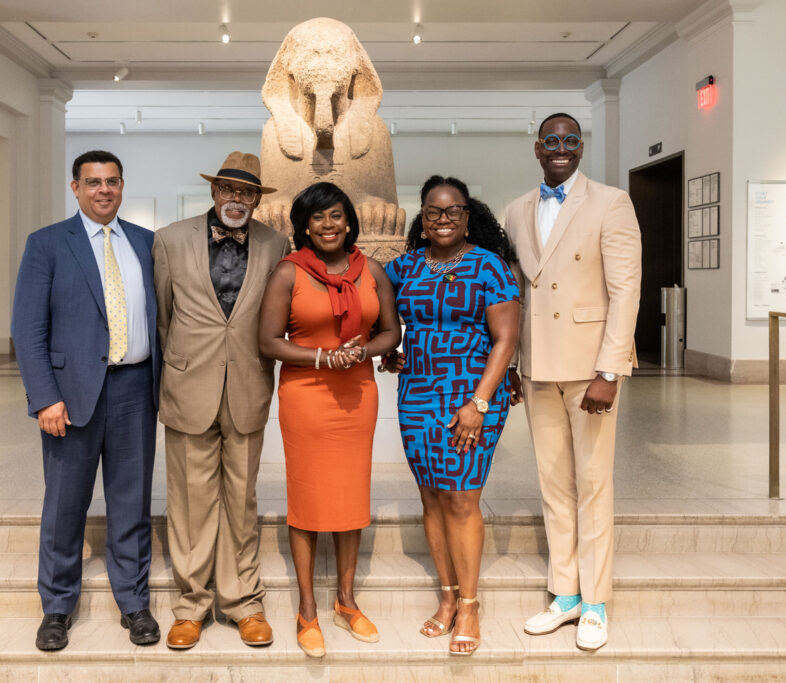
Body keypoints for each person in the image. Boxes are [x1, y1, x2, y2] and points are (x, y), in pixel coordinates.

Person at [500, 112, 641, 651]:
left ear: (581, 148)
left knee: (593, 484)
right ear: (537, 147)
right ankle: (565, 594)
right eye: (551, 141)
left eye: (571, 141)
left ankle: (597, 601)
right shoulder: (516, 211)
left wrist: (610, 370)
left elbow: (625, 291)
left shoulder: (611, 203)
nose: (561, 148)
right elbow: (516, 293)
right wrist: (513, 364)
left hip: (590, 370)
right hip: (537, 368)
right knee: (554, 485)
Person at [11, 150, 161, 651]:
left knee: (131, 503)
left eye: (112, 181)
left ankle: (134, 603)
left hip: (136, 389)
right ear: (75, 187)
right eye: (93, 182)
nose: (104, 190)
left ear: (122, 186)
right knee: (64, 506)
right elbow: (28, 330)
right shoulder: (48, 244)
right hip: (70, 398)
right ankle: (56, 608)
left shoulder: (145, 243)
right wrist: (44, 398)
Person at [152, 151, 290, 651]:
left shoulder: (277, 243)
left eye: (247, 192)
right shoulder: (169, 240)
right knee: (189, 501)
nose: (237, 199)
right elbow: (165, 318)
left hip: (249, 387)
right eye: (229, 189)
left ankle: (243, 604)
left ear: (257, 199)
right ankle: (190, 607)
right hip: (189, 387)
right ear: (213, 192)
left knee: (242, 500)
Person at [258, 182, 402, 658]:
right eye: (317, 217)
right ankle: (306, 610)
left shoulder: (372, 271)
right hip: (307, 395)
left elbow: (390, 331)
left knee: (350, 493)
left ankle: (345, 601)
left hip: (357, 393)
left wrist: (361, 350)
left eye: (335, 215)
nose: (327, 225)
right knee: (307, 496)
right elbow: (268, 341)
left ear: (348, 221)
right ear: (303, 225)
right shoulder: (288, 273)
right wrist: (322, 359)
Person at [382, 176, 520, 656]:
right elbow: (382, 320)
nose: (443, 219)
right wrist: (390, 351)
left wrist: (479, 404)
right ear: (422, 216)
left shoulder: (490, 267)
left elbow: (506, 338)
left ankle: (470, 604)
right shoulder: (405, 267)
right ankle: (445, 597)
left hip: (472, 397)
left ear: (467, 215)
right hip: (417, 394)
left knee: (461, 499)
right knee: (432, 499)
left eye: (453, 211)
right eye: (434, 211)